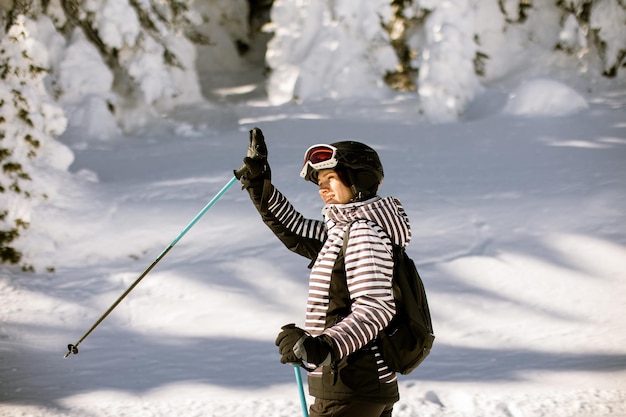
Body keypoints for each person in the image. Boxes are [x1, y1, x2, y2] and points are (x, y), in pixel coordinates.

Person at [235, 128, 411, 417]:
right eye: (319, 182)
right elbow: (295, 229)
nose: (323, 189)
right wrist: (258, 181)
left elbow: (376, 307)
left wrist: (321, 347)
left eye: (331, 179)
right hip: (352, 382)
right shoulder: (343, 232)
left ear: (360, 181)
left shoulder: (363, 234)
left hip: (353, 381)